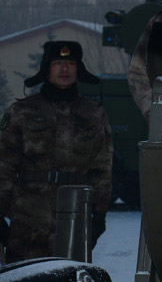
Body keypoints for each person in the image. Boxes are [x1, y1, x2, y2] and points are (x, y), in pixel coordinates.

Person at [0, 41, 113, 262]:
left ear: (78, 69)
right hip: (27, 221)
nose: (64, 69)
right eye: (58, 63)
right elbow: (3, 164)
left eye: (70, 63)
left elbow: (102, 168)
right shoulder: (22, 111)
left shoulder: (94, 114)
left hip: (75, 217)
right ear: (46, 68)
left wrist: (99, 215)